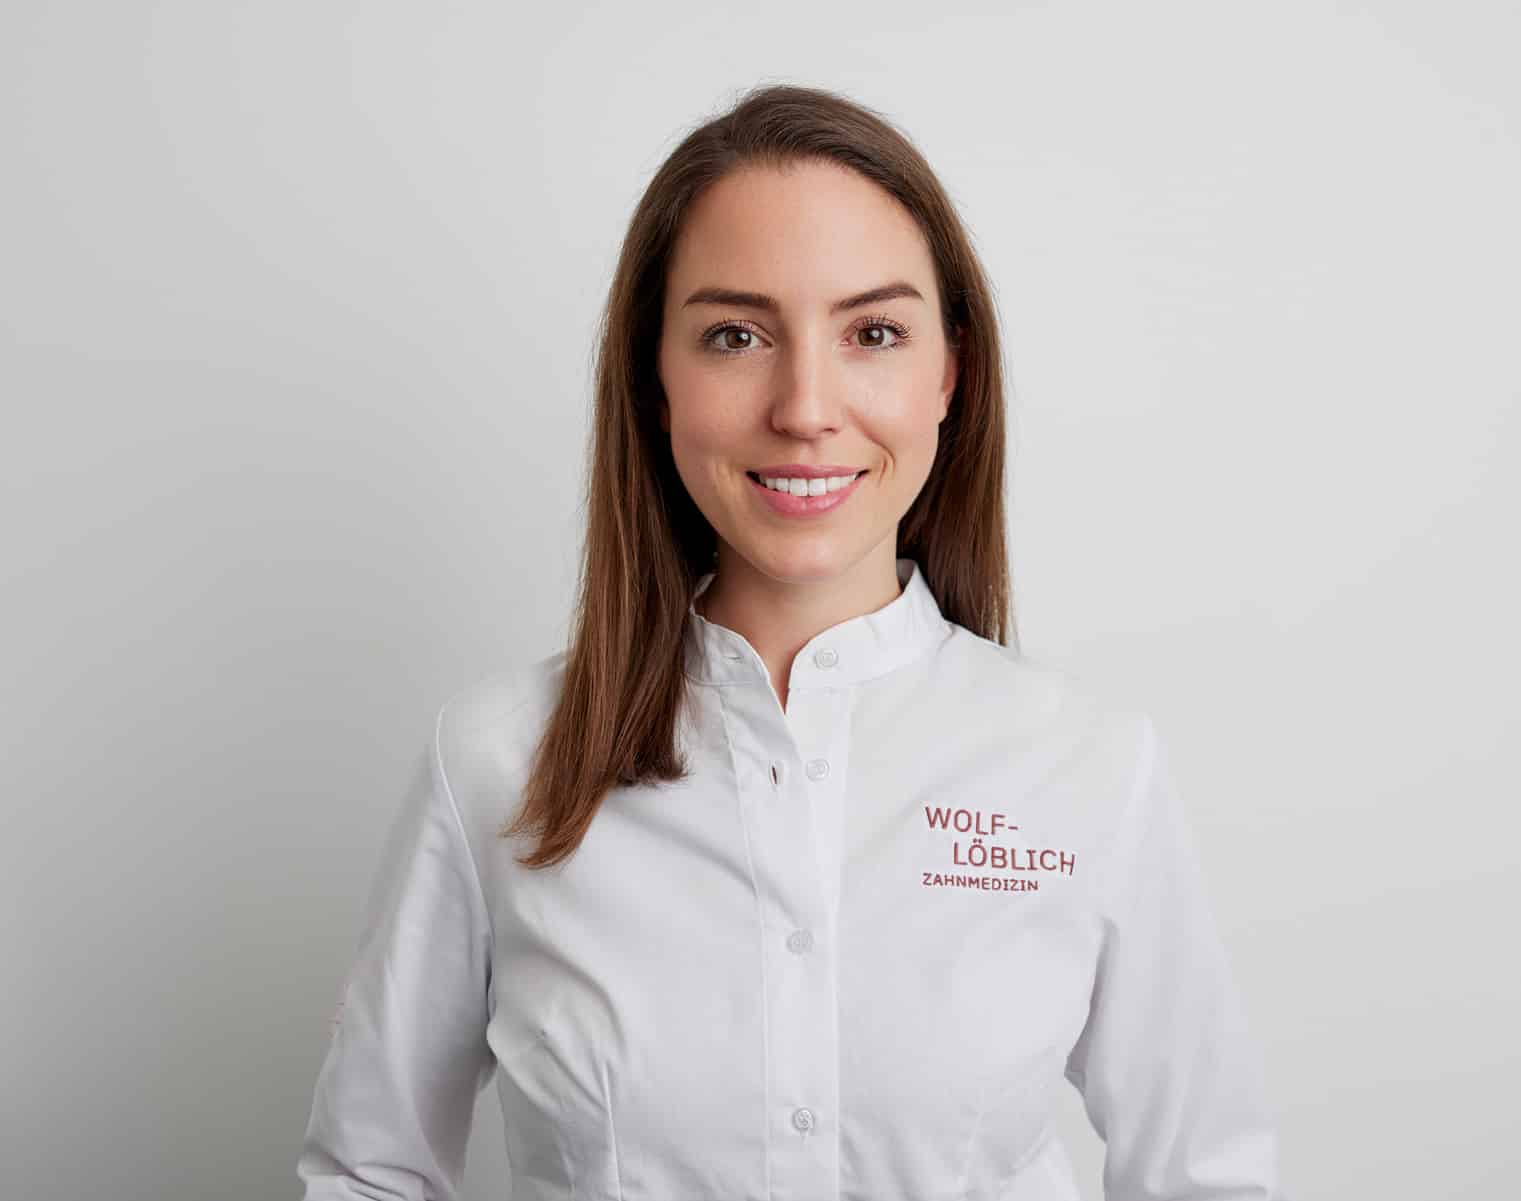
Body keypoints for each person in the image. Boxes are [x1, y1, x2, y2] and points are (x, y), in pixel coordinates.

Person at [296, 83, 1285, 1201]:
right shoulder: (495, 760)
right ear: (655, 379)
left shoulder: (1088, 765)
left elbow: (1208, 1179)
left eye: (873, 332)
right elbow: (368, 1174)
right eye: (736, 335)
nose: (806, 408)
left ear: (949, 373)